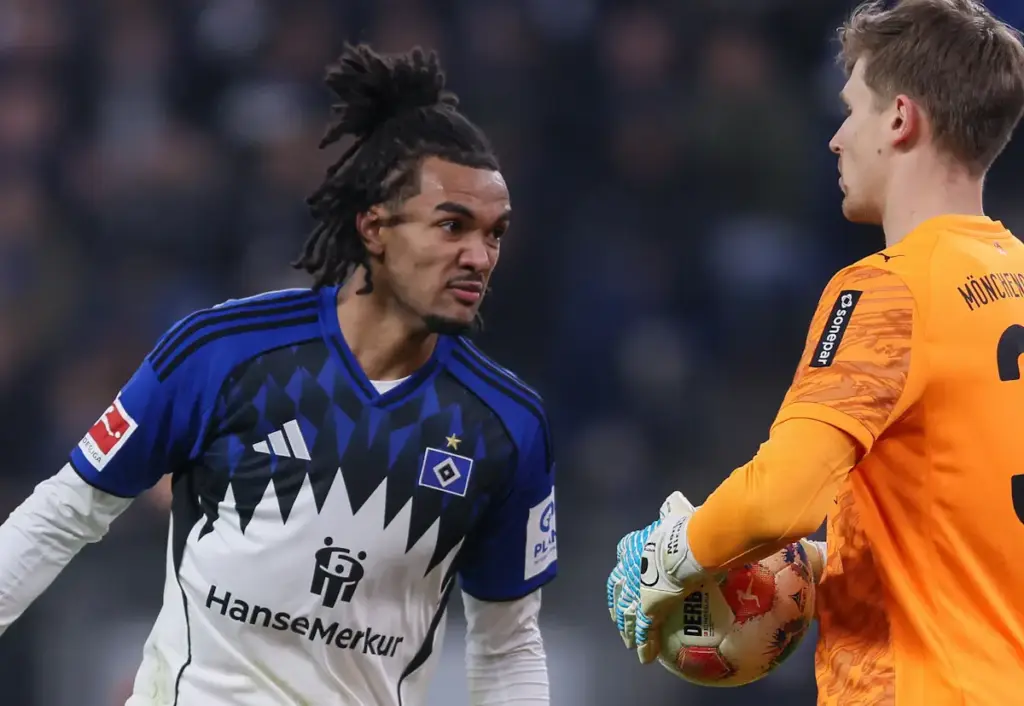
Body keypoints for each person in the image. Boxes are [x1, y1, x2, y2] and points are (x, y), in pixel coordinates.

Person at [0, 44, 557, 706]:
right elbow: (65, 511)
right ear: (375, 227)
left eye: (494, 234)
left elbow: (508, 646)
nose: (478, 256)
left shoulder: (505, 427)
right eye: (452, 226)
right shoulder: (223, 353)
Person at [607, 1, 1024, 704]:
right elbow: (968, 520)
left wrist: (667, 560)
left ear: (899, 118)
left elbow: (778, 501)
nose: (835, 138)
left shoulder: (889, 290)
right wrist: (831, 562)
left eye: (851, 109)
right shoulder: (1014, 278)